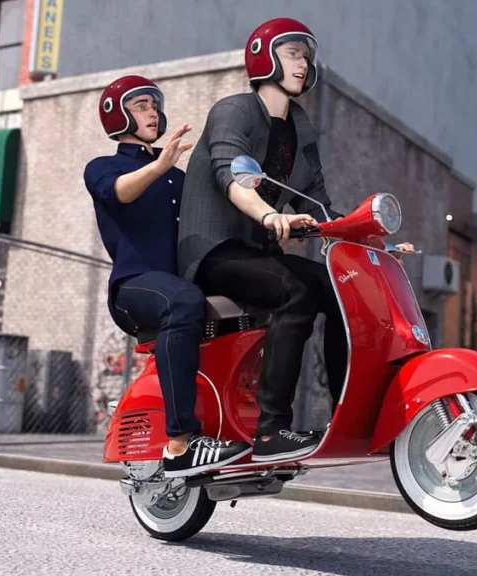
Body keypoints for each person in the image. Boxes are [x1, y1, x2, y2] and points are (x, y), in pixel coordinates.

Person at [176, 18, 413, 463]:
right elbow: (230, 174)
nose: (303, 64)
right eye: (292, 54)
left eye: (306, 56)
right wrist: (269, 214)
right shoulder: (234, 110)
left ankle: (352, 412)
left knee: (344, 289)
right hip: (214, 251)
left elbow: (320, 204)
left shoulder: (299, 127)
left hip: (258, 254)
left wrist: (371, 242)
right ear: (264, 57)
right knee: (298, 290)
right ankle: (271, 432)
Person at [84, 75, 252, 477]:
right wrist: (159, 165)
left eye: (155, 106)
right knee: (183, 299)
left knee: (264, 295)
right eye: (141, 105)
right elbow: (119, 192)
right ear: (118, 115)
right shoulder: (103, 167)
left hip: (183, 285)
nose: (153, 113)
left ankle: (258, 426)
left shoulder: (179, 176)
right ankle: (180, 443)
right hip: (134, 286)